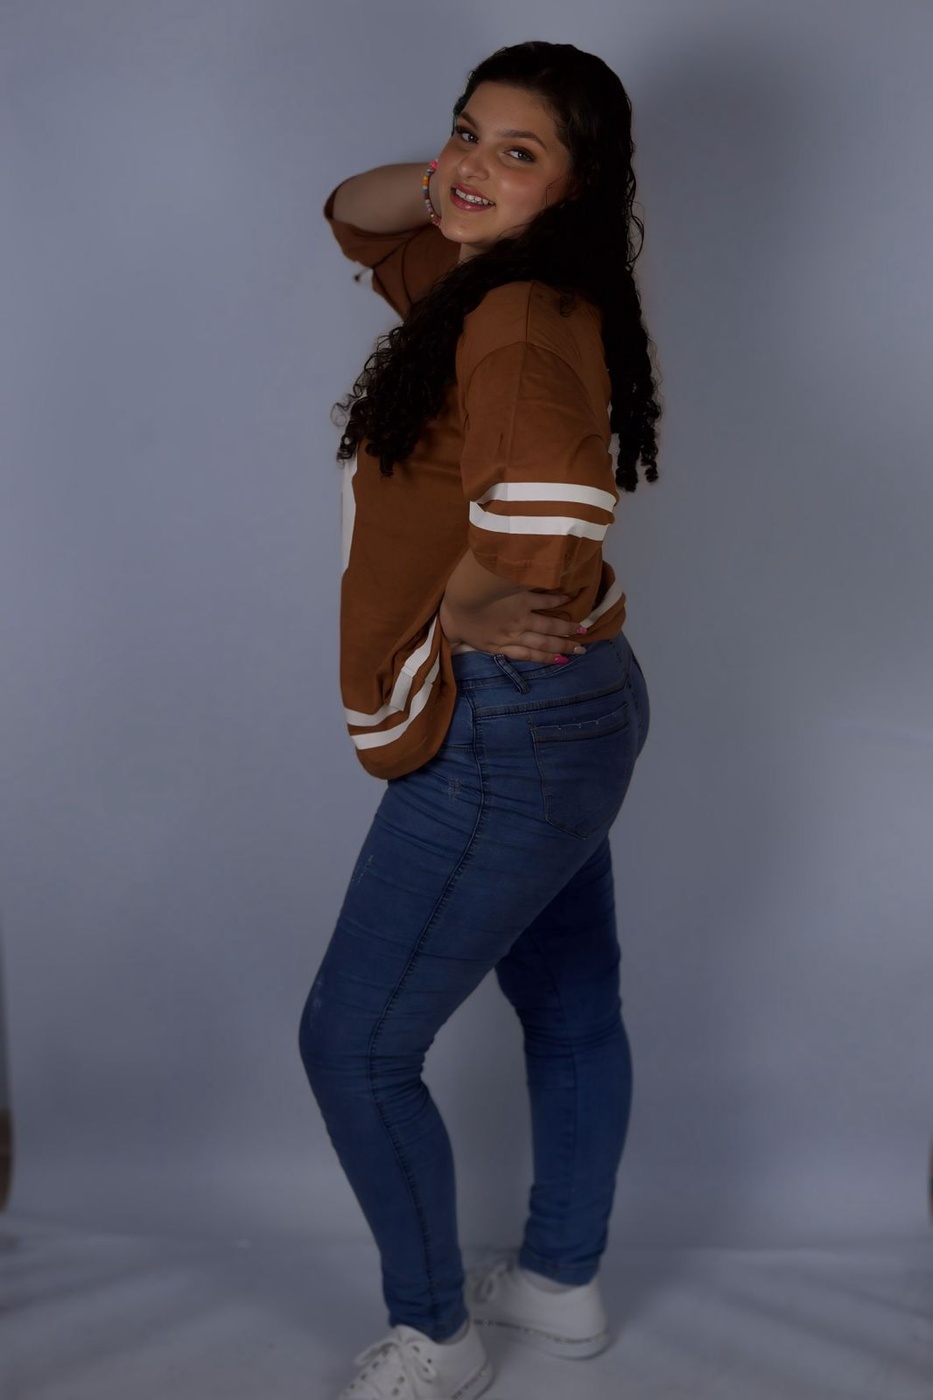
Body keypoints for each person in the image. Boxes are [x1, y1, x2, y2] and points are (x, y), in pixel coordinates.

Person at [299, 39, 661, 1400]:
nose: (469, 164)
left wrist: (459, 601)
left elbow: (554, 501)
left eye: (520, 151)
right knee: (566, 1001)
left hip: (511, 724)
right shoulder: (494, 273)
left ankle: (436, 1338)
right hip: (575, 710)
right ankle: (561, 1285)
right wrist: (468, 181)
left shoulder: (511, 311)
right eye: (465, 130)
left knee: (354, 1044)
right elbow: (354, 212)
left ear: (575, 188)